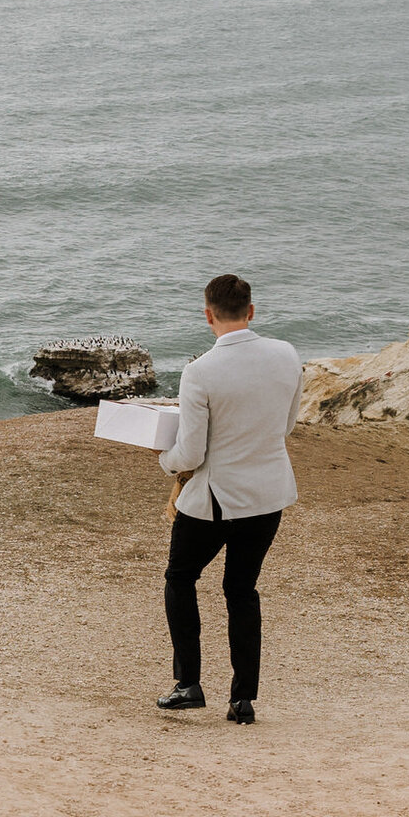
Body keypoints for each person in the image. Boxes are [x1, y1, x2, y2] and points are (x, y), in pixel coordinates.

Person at [154, 274, 302, 724]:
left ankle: (188, 684)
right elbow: (287, 426)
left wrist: (164, 459)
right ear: (251, 311)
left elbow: (192, 453)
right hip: (269, 493)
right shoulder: (287, 354)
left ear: (208, 315)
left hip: (217, 500)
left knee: (180, 577)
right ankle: (242, 700)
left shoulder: (200, 371)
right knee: (241, 590)